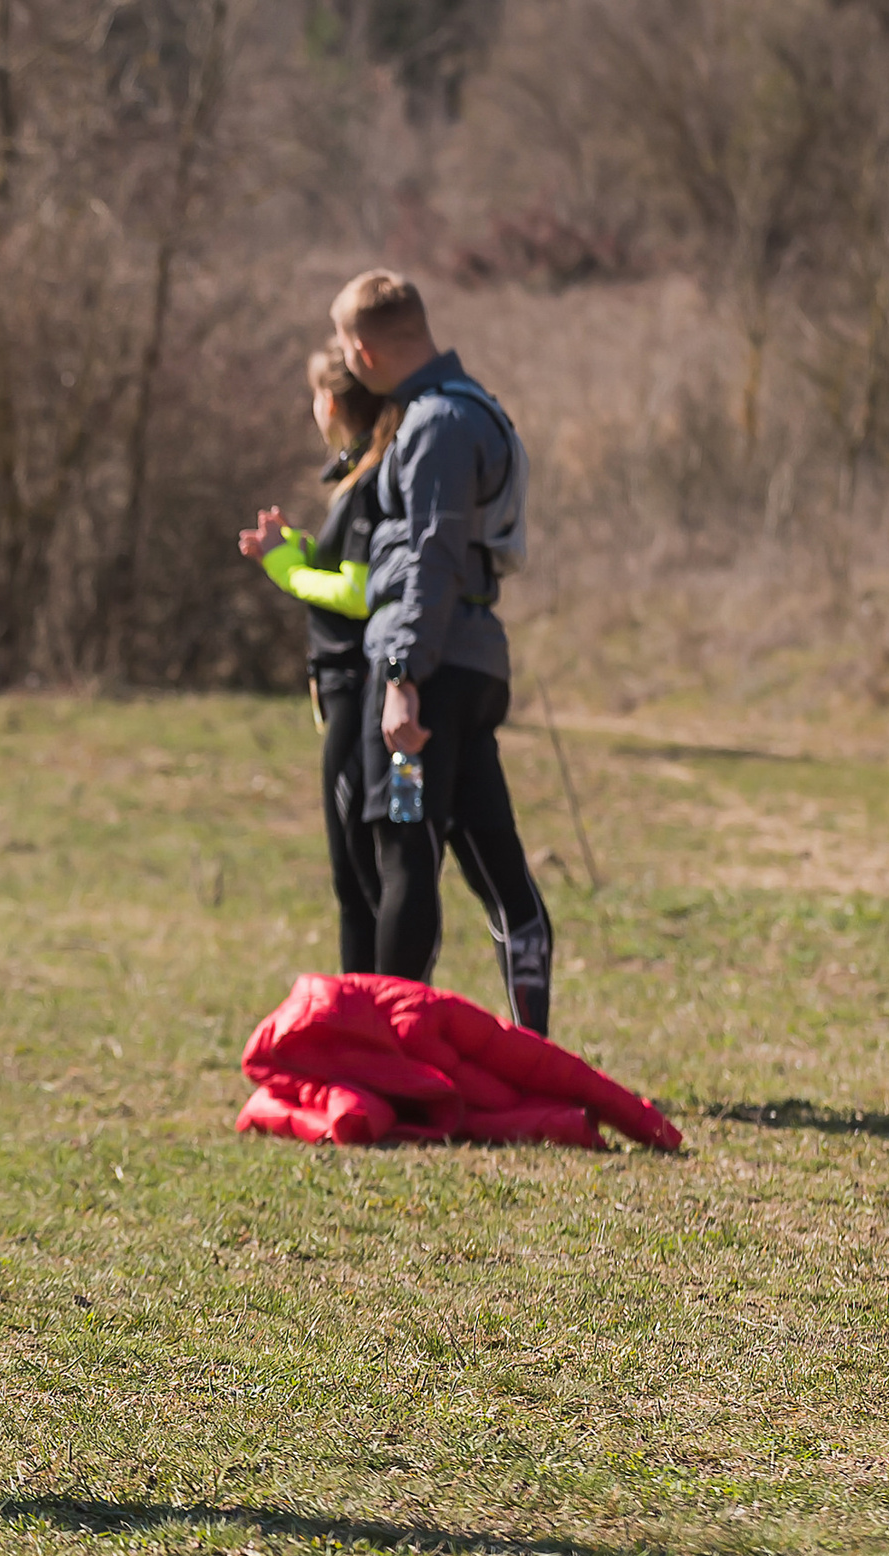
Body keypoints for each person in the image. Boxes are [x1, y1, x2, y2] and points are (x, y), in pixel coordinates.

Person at [332, 269, 554, 1035]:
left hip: (424, 680)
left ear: (363, 350)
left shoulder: (434, 425)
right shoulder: (471, 406)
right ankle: (532, 1046)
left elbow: (432, 556)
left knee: (406, 850)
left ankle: (390, 1048)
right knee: (494, 858)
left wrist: (401, 677)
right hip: (467, 665)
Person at [239, 348, 396, 975]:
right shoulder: (362, 476)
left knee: (361, 879)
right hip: (355, 692)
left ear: (328, 403)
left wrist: (284, 568)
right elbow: (352, 572)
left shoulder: (366, 486)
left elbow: (358, 594)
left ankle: (374, 1007)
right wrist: (302, 550)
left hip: (360, 694)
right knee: (362, 879)